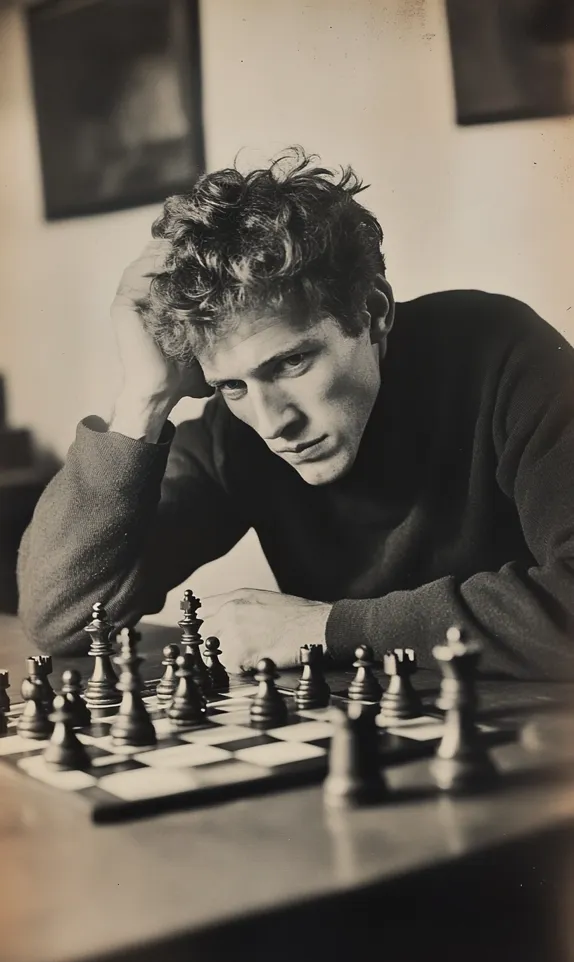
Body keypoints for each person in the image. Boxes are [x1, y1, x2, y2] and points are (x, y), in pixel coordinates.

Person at [17, 149, 574, 678]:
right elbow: (61, 619)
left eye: (291, 363)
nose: (271, 423)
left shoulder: (504, 354)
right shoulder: (230, 434)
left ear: (372, 311)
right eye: (232, 385)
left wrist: (325, 628)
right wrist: (144, 399)